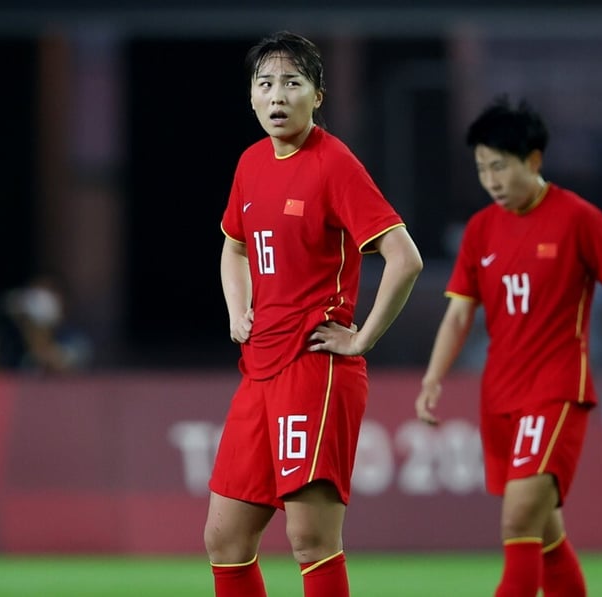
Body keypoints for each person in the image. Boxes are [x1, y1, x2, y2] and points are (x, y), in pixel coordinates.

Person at [414, 96, 602, 597]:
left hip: (555, 390)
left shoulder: (578, 218)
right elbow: (460, 313)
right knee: (545, 534)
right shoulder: (481, 229)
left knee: (518, 520)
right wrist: (433, 378)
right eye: (482, 169)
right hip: (499, 396)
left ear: (533, 160)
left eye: (500, 167)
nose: (491, 181)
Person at [204, 31, 423, 597]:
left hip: (314, 369)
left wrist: (362, 338)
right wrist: (237, 309)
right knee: (225, 540)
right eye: (265, 84)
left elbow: (405, 258)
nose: (277, 95)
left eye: (292, 83)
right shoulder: (251, 162)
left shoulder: (334, 164)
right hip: (259, 369)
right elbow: (234, 245)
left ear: (317, 96)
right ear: (251, 97)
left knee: (310, 539)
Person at [0, 272, 92, 374]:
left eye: (46, 298)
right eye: (34, 297)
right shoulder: (12, 339)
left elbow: (54, 367)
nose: (39, 305)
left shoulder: (75, 340)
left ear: (62, 301)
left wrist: (33, 329)